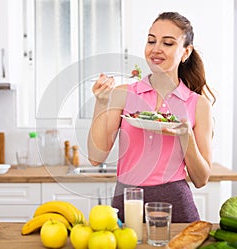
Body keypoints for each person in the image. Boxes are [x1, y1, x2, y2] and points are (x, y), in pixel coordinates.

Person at [87, 12, 216, 223]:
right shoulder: (123, 93)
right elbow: (95, 157)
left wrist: (186, 137)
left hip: (175, 202)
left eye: (167, 43)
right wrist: (101, 103)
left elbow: (201, 179)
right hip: (127, 199)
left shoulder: (198, 104)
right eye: (151, 41)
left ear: (186, 52)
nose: (156, 49)